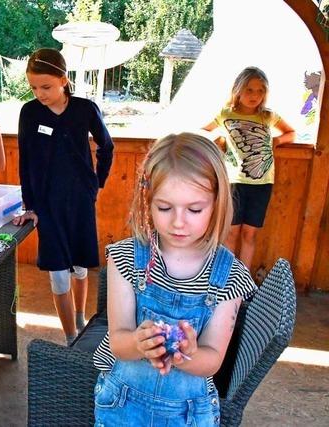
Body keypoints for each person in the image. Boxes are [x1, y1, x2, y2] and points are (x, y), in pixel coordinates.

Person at [92, 133, 256, 426]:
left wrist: (189, 353)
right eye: (164, 208)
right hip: (122, 404)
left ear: (217, 203)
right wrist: (138, 343)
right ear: (148, 201)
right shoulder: (125, 258)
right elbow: (118, 343)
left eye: (194, 209)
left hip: (189, 413)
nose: (178, 222)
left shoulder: (230, 276)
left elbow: (213, 359)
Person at [12, 48, 114, 346]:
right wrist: (30, 205)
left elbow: (106, 146)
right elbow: (26, 161)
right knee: (58, 275)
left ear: (63, 81)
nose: (39, 94)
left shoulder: (85, 109)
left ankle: (81, 318)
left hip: (81, 200)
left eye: (46, 87)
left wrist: (98, 183)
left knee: (80, 267)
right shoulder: (29, 113)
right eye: (33, 87)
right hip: (47, 205)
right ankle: (70, 336)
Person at [203, 66, 295, 274]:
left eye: (260, 90)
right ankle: (225, 277)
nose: (255, 95)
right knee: (231, 234)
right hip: (234, 182)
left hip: (262, 184)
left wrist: (277, 140)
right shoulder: (225, 114)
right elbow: (202, 131)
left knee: (249, 235)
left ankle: (242, 280)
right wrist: (218, 139)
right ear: (238, 90)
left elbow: (291, 133)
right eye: (250, 90)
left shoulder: (268, 116)